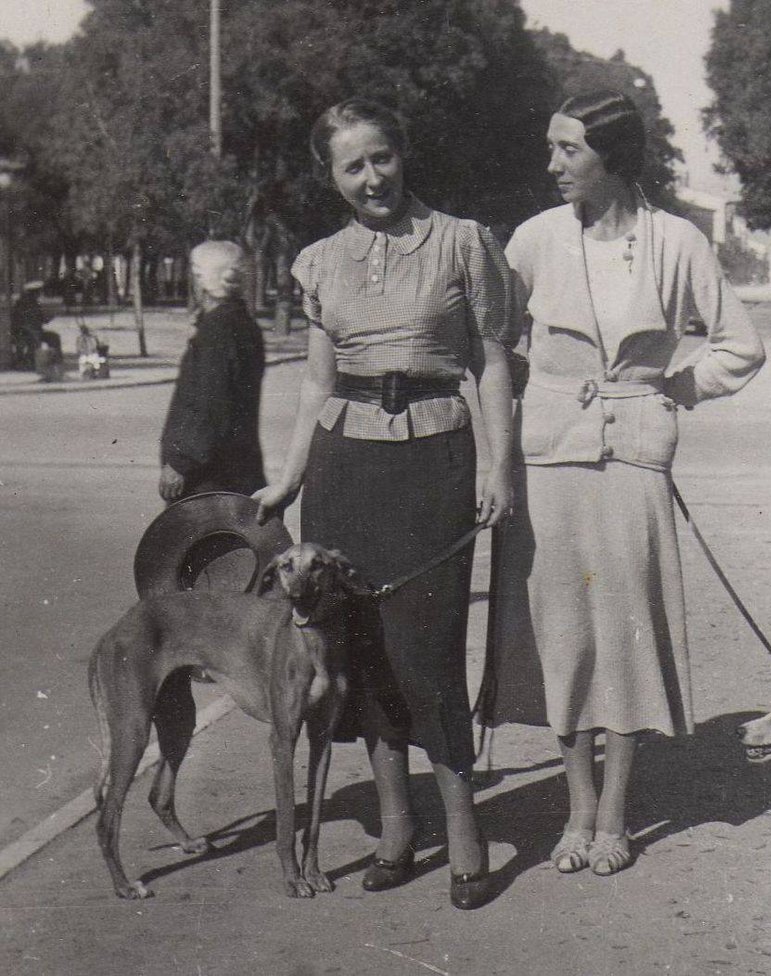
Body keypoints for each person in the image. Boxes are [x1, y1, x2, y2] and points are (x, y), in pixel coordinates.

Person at [486, 90, 765, 876]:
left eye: (568, 149)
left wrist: (676, 389)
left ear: (612, 156)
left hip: (635, 459)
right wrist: (505, 429)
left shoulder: (676, 242)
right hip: (548, 461)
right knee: (562, 639)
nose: (553, 164)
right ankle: (576, 805)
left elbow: (740, 347)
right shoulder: (535, 239)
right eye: (552, 147)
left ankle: (615, 813)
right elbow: (495, 345)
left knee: (627, 636)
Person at [253, 98, 516, 910]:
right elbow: (317, 382)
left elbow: (497, 362)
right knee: (359, 651)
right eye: (352, 166)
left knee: (428, 646)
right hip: (345, 469)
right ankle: (399, 829)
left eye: (382, 158)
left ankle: (463, 832)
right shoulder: (320, 261)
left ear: (403, 155)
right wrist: (292, 476)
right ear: (332, 177)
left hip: (436, 460)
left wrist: (498, 465)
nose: (372, 178)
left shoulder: (465, 242)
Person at [159, 241, 266, 503]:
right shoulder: (242, 324)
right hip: (238, 469)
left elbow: (210, 404)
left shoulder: (217, 331)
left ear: (201, 279)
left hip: (208, 478)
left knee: (199, 542)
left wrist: (181, 462)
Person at [12, 280, 60, 370]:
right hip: (23, 332)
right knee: (33, 341)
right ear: (31, 293)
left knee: (54, 337)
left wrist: (50, 317)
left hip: (36, 332)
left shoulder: (35, 303)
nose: (38, 295)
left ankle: (56, 362)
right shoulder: (22, 304)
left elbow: (41, 319)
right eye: (37, 292)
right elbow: (19, 321)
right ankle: (30, 363)